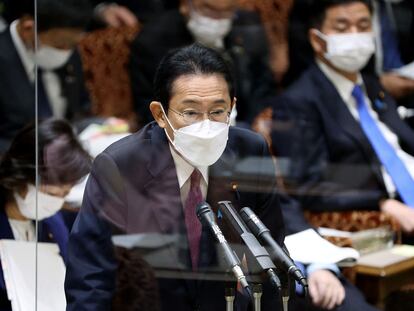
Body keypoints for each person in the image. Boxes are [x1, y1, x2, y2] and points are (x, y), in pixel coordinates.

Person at [65, 44, 285, 311]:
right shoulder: (120, 166)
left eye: (217, 111)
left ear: (233, 107)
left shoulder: (250, 150)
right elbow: (91, 275)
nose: (206, 124)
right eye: (190, 113)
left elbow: (272, 257)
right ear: (160, 114)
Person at [271, 0, 414, 308]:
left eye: (363, 26)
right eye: (342, 27)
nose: (355, 34)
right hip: (383, 214)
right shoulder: (298, 101)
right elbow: (309, 185)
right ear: (317, 39)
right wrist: (381, 202)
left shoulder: (372, 86)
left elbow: (401, 146)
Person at [129, 0, 277, 127]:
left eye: (227, 11)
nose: (217, 19)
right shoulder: (154, 40)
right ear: (186, 5)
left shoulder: (246, 25)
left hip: (241, 129)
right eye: (209, 9)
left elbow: (263, 87)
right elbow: (148, 107)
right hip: (182, 136)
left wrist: (250, 128)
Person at [0, 118, 91, 311]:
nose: (56, 203)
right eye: (50, 193)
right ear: (20, 175)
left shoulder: (54, 224)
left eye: (64, 194)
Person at [0, 0, 92, 153]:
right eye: (60, 44)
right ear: (27, 28)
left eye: (72, 45)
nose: (66, 52)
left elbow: (79, 108)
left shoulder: (68, 49)